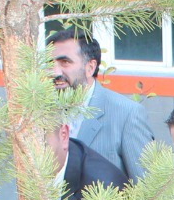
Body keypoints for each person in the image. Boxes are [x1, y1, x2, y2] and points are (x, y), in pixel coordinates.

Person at [48, 28, 154, 181]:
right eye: (49, 63)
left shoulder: (127, 115)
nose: (54, 72)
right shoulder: (40, 114)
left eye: (65, 62)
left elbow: (148, 187)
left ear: (90, 67)